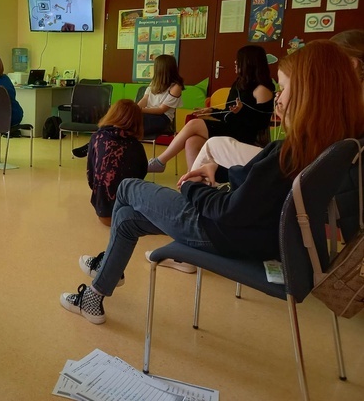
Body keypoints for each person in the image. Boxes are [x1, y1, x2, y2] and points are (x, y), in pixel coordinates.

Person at [60, 40, 364, 324]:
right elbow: (258, 185)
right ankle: (96, 294)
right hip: (252, 235)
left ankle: (104, 270)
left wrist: (192, 189)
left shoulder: (289, 153)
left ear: (310, 93)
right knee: (126, 218)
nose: (278, 99)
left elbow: (232, 210)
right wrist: (218, 171)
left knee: (127, 188)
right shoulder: (328, 146)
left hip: (219, 231)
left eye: (283, 89)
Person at [191, 29, 364, 173]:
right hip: (291, 163)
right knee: (197, 141)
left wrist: (289, 118)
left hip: (286, 163)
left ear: (351, 64)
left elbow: (301, 153)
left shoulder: (343, 103)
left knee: (209, 142)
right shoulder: (240, 85)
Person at [148, 45, 274, 172]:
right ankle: (193, 181)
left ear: (249, 62)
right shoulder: (239, 83)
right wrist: (211, 111)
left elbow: (261, 123)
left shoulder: (262, 89)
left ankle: (160, 161)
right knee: (192, 141)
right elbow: (229, 113)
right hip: (231, 128)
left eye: (239, 60)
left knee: (194, 124)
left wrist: (242, 111)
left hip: (244, 135)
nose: (235, 62)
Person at [87, 100, 147, 227]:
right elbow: (141, 173)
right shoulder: (136, 146)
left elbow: (91, 174)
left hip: (103, 212)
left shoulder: (96, 138)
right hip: (128, 212)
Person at [137, 55, 184, 137]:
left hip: (162, 118)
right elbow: (145, 99)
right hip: (147, 113)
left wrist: (141, 110)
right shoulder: (154, 82)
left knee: (132, 125)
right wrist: (135, 109)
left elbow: (161, 110)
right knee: (125, 119)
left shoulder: (176, 87)